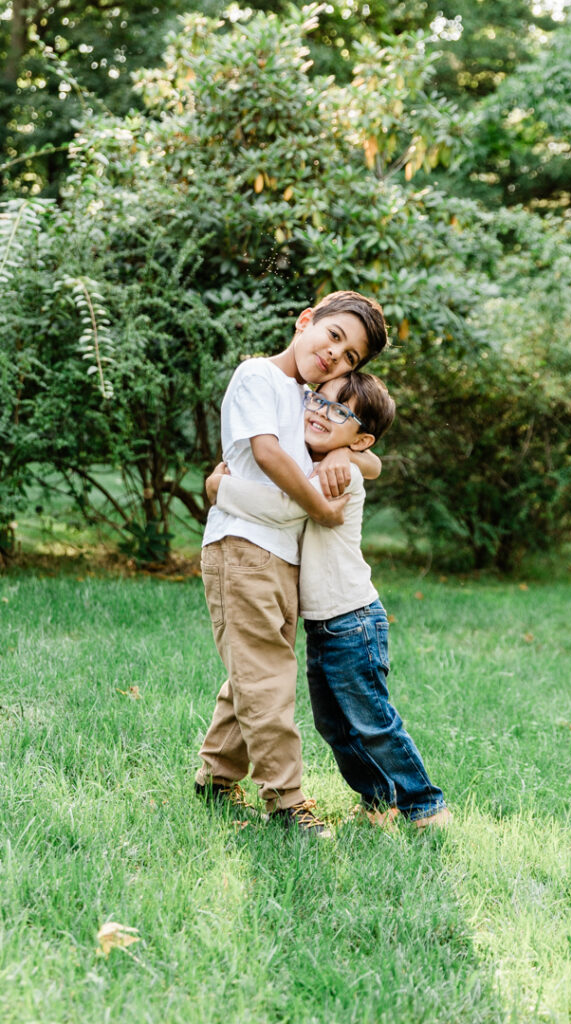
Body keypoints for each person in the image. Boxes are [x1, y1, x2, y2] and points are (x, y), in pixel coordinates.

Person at [206, 371, 451, 830]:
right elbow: (358, 453)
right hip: (324, 622)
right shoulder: (324, 458)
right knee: (336, 726)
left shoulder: (336, 474)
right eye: (318, 401)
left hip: (352, 617)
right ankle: (379, 803)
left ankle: (425, 805)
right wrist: (342, 444)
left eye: (340, 411)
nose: (321, 412)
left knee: (372, 721)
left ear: (361, 437)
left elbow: (283, 507)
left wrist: (220, 489)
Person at [195, 291, 388, 837]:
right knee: (266, 676)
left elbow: (370, 457)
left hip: (282, 557)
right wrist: (321, 506)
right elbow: (267, 453)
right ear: (306, 322)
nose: (336, 356)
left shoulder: (309, 397)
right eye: (333, 337)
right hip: (244, 546)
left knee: (254, 671)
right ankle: (286, 800)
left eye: (351, 357)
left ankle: (215, 778)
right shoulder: (258, 375)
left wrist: (346, 454)